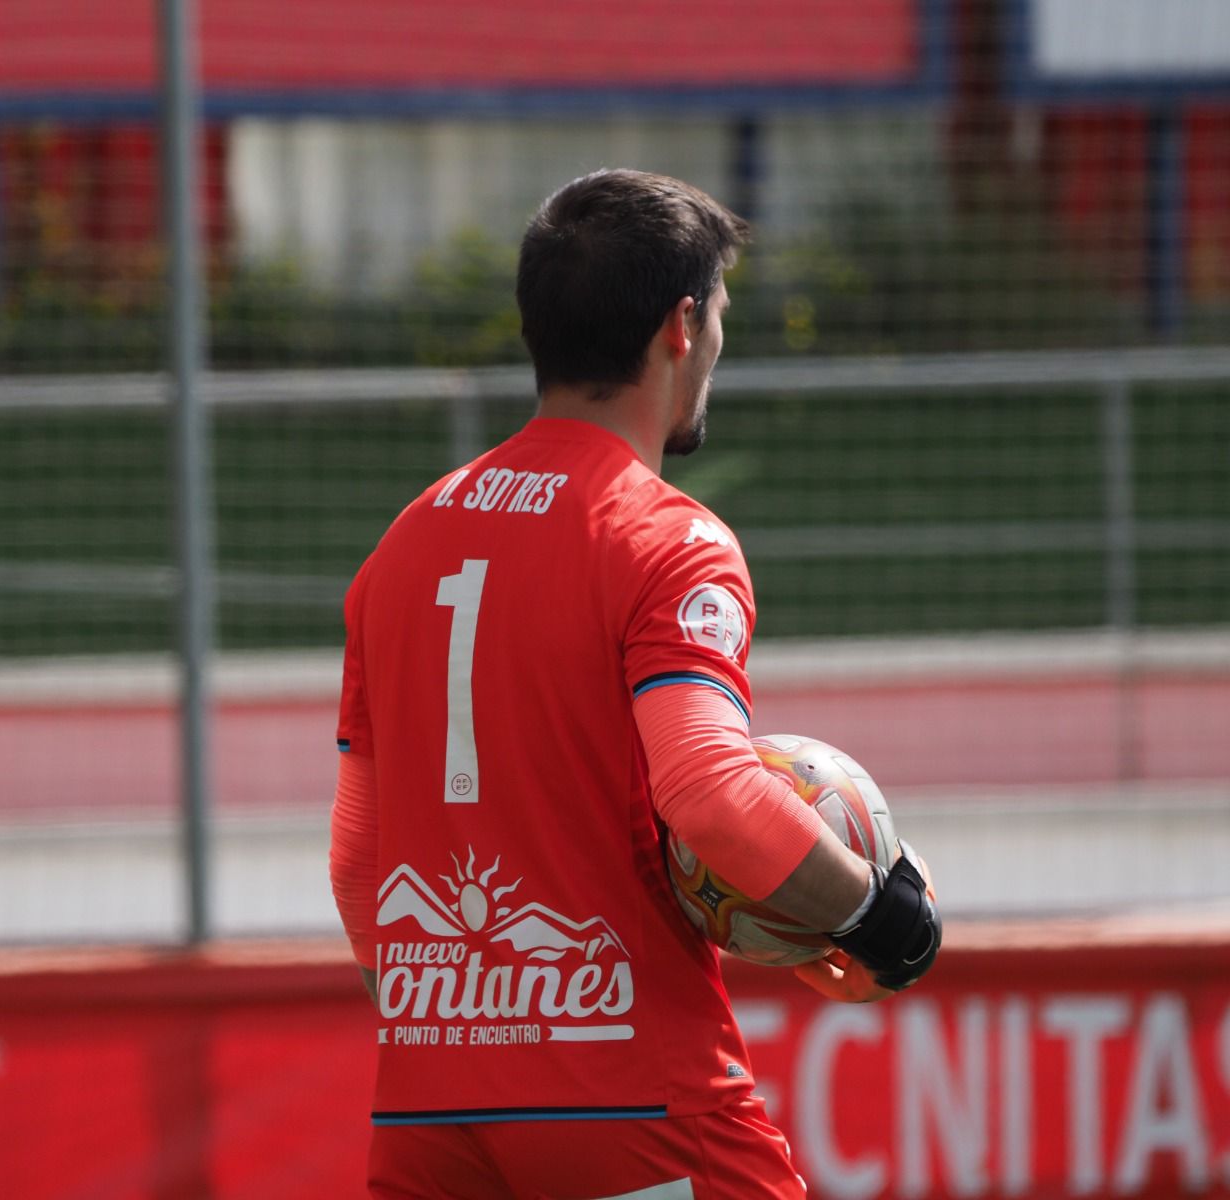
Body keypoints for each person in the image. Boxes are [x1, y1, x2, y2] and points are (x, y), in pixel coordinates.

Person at [329, 169, 940, 1200]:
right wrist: (881, 918)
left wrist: (468, 1017)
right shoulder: (666, 540)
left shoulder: (405, 540)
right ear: (681, 325)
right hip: (628, 1093)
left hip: (430, 1102)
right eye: (721, 320)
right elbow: (710, 789)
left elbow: (360, 858)